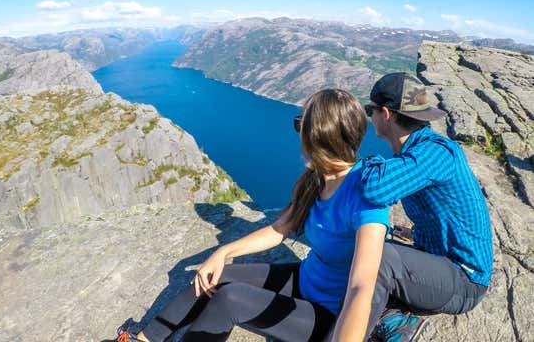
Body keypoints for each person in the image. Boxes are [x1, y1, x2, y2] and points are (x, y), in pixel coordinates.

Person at [116, 89, 390, 342]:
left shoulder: (367, 196)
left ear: (318, 135)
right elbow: (280, 228)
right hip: (306, 281)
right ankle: (146, 338)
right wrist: (222, 253)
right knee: (217, 275)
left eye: (300, 125)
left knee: (230, 298)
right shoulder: (316, 179)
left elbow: (361, 288)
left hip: (327, 316)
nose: (298, 135)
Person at [361, 73, 494, 341]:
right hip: (439, 264)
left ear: (386, 113)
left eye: (370, 111)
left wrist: (358, 158)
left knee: (374, 255)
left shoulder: (435, 153)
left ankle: (391, 325)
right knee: (355, 246)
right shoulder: (418, 150)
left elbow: (376, 188)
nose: (369, 116)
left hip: (465, 282)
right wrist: (415, 235)